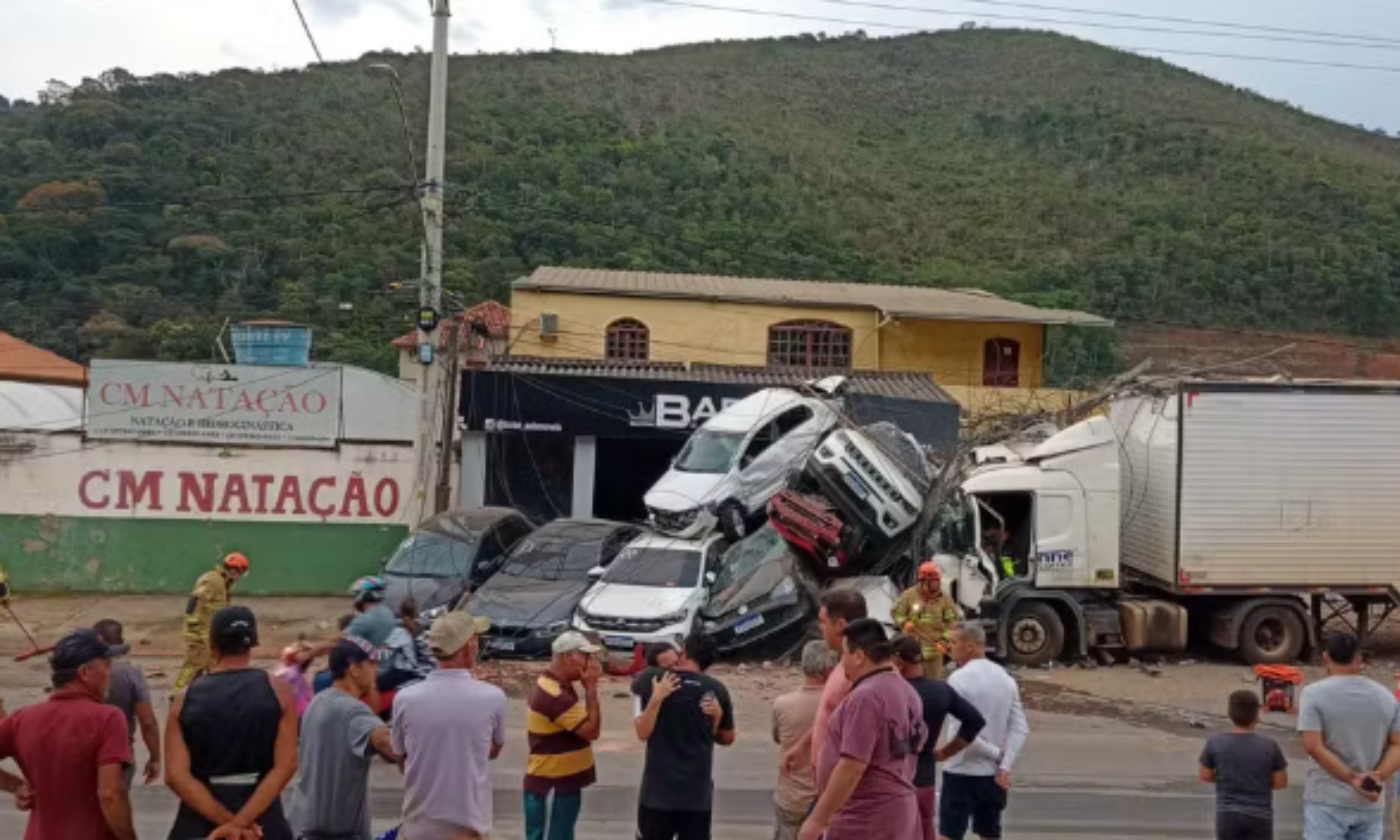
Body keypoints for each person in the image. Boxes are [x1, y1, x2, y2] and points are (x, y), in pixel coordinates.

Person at [165, 605, 298, 840]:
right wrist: (242, 823)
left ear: (213, 646)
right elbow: (286, 765)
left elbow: (175, 776)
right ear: (251, 644)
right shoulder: (280, 693)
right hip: (263, 821)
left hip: (200, 823)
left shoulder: (184, 699)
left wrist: (227, 824)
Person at [0, 628, 135, 839]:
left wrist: (16, 786)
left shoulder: (21, 719)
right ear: (85, 673)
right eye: (107, 665)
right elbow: (110, 795)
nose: (111, 673)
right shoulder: (108, 719)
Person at [800, 617, 925, 840]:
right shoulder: (909, 693)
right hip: (900, 812)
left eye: (844, 655)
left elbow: (852, 765)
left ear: (859, 656)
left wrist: (817, 820)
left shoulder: (866, 697)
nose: (842, 663)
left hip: (866, 818)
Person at [392, 609, 507, 840]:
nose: (478, 644)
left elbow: (401, 758)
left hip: (418, 829)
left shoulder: (406, 699)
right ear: (467, 647)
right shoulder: (492, 697)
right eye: (475, 639)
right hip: (469, 831)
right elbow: (493, 750)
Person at [288, 636, 401, 840]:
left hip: (301, 827)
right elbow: (387, 743)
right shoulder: (352, 711)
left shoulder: (317, 702)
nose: (376, 670)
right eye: (372, 663)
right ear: (354, 668)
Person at [632, 632, 737, 840]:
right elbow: (728, 738)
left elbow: (642, 732)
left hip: (657, 795)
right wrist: (717, 718)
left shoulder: (650, 680)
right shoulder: (717, 690)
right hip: (697, 796)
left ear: (684, 652)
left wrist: (656, 698)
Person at [1297, 631, 1400, 840]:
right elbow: (1397, 745)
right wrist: (1376, 777)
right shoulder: (1386, 697)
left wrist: (1351, 778)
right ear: (1359, 659)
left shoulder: (1313, 694)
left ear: (1326, 657)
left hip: (1326, 798)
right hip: (1370, 802)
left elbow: (1313, 746)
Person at [940, 622, 1029, 840]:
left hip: (961, 771)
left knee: (950, 834)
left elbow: (959, 733)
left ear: (970, 646)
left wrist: (995, 753)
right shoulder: (1006, 679)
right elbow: (1020, 727)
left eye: (953, 642)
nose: (949, 647)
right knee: (990, 833)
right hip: (992, 776)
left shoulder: (958, 679)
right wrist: (1004, 764)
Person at [892, 634, 986, 840]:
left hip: (893, 785)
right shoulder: (940, 691)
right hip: (925, 782)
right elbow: (975, 721)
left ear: (898, 663)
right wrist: (945, 752)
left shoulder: (889, 692)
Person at [525, 631, 605, 840]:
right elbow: (592, 730)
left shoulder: (554, 685)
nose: (590, 662)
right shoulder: (555, 695)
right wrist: (591, 689)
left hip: (558, 780)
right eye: (585, 656)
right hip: (554, 781)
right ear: (568, 657)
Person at [782, 589, 867, 778]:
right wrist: (803, 746)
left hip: (839, 793)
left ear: (841, 625)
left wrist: (827, 804)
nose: (820, 628)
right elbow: (832, 719)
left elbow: (855, 758)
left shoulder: (858, 673)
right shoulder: (843, 662)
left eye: (823, 621)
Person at [1199, 690, 1288, 840]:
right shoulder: (1269, 745)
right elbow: (1281, 782)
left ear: (1230, 715)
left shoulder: (1216, 743)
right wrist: (1258, 782)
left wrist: (1224, 777)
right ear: (1256, 716)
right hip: (1260, 814)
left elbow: (1205, 775)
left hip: (1227, 814)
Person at [771, 641, 836, 840]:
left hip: (792, 799)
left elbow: (777, 738)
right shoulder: (839, 704)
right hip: (826, 801)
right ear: (829, 669)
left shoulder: (782, 704)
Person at [95, 618, 161, 788]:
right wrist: (155, 757)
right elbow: (147, 722)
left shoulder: (81, 671)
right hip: (120, 754)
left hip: (82, 752)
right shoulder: (132, 674)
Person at [175, 551, 249, 692]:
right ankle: (178, 695)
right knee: (193, 665)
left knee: (213, 666)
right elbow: (195, 600)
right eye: (240, 572)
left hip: (209, 633)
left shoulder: (224, 584)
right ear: (234, 569)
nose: (239, 577)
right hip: (199, 634)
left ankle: (207, 694)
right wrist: (196, 630)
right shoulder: (213, 580)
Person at [891, 562, 962, 679]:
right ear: (924, 581)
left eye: (938, 581)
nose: (938, 584)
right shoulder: (908, 596)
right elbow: (896, 613)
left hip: (933, 655)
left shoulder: (944, 600)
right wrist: (904, 622)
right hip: (911, 655)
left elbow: (952, 623)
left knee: (933, 686)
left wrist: (944, 640)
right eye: (935, 581)